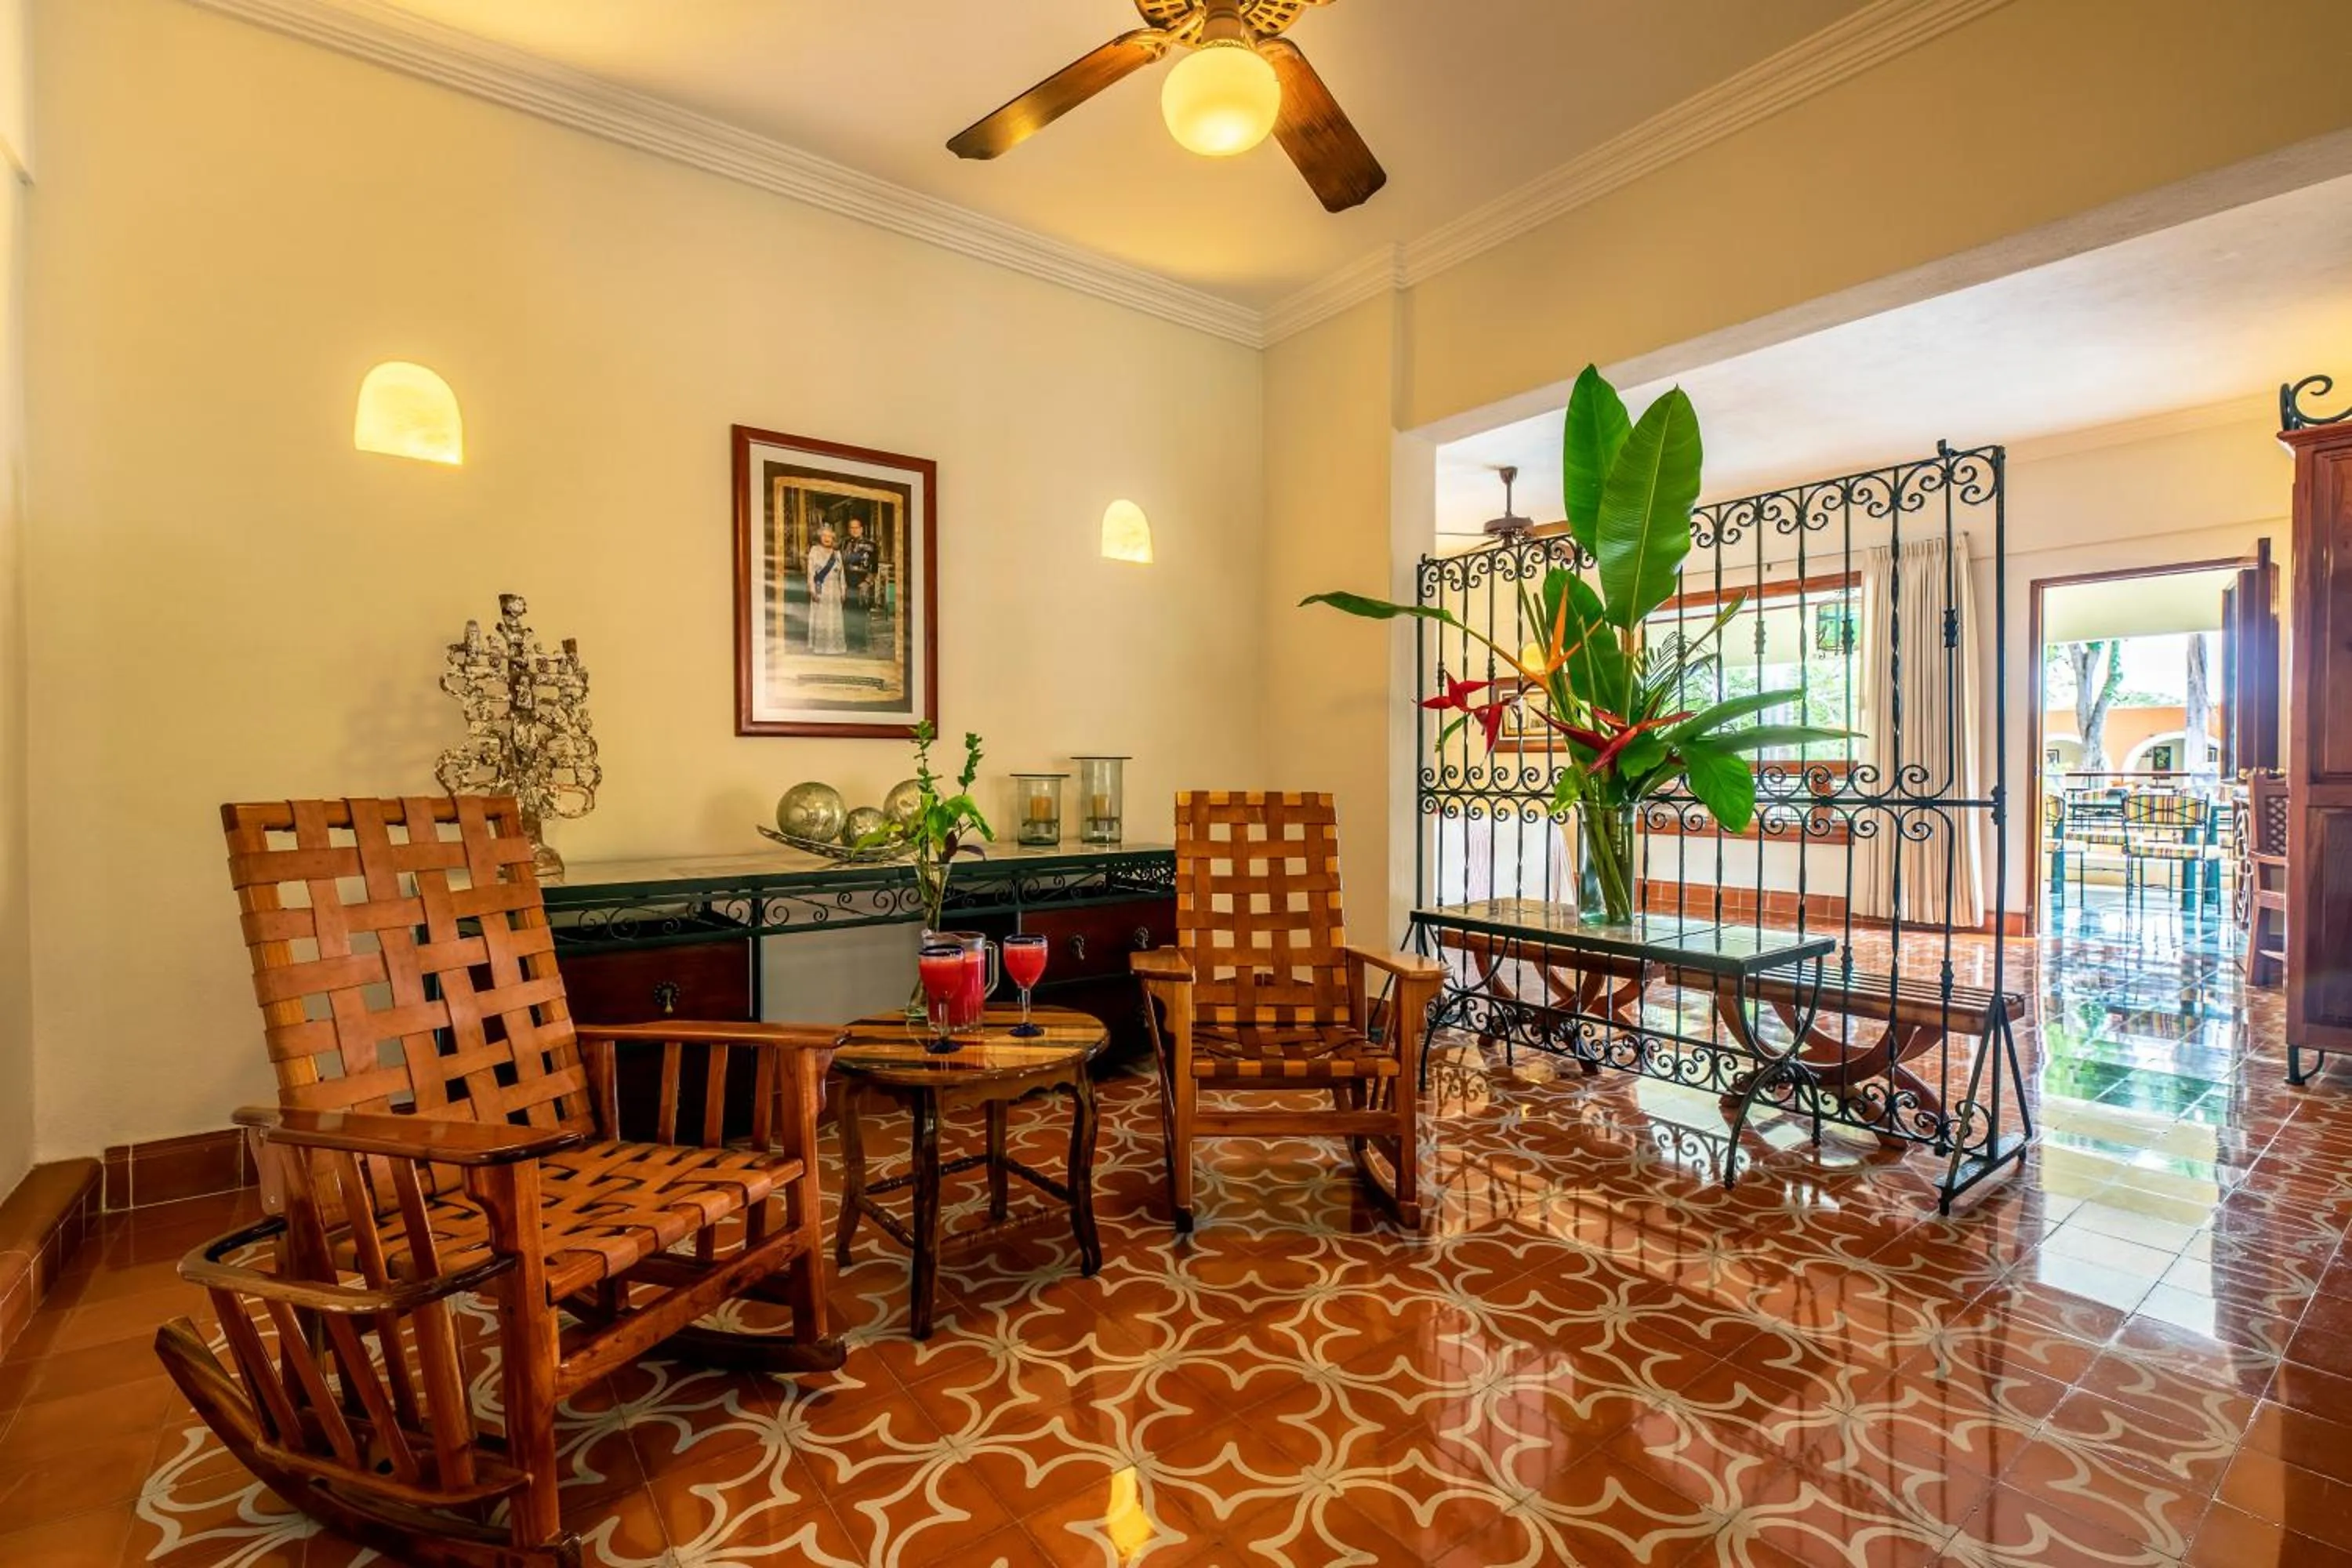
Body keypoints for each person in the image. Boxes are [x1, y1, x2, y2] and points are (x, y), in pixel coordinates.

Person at [805, 523, 847, 655]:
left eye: (830, 536)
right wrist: (812, 590)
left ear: (833, 538)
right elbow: (810, 573)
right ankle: (820, 647)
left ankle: (835, 647)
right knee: (821, 617)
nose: (827, 538)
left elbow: (842, 574)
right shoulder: (814, 550)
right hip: (820, 588)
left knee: (834, 618)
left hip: (834, 590)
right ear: (820, 537)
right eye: (824, 536)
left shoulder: (837, 553)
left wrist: (843, 589)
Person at [842, 516, 878, 655]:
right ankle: (849, 643)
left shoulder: (871, 545)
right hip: (847, 580)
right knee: (848, 613)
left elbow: (874, 567)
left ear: (861, 529)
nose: (854, 530)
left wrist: (867, 582)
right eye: (851, 527)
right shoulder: (845, 543)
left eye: (856, 527)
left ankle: (861, 645)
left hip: (862, 581)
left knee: (860, 614)